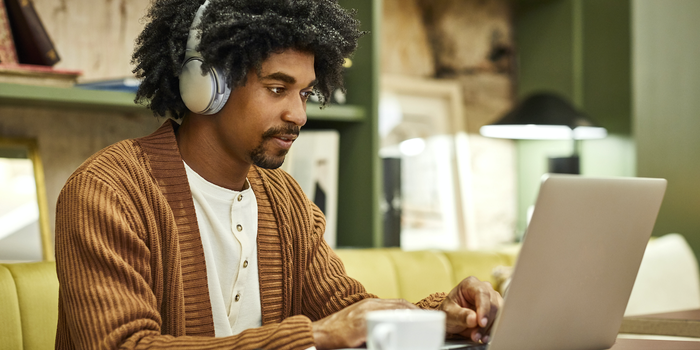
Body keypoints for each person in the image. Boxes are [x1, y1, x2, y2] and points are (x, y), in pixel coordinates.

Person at [54, 0, 503, 349]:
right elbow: (125, 345)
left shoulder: (282, 198)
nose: (299, 114)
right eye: (277, 88)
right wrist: (315, 337)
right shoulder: (108, 191)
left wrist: (440, 317)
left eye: (305, 93)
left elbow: (349, 312)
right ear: (206, 85)